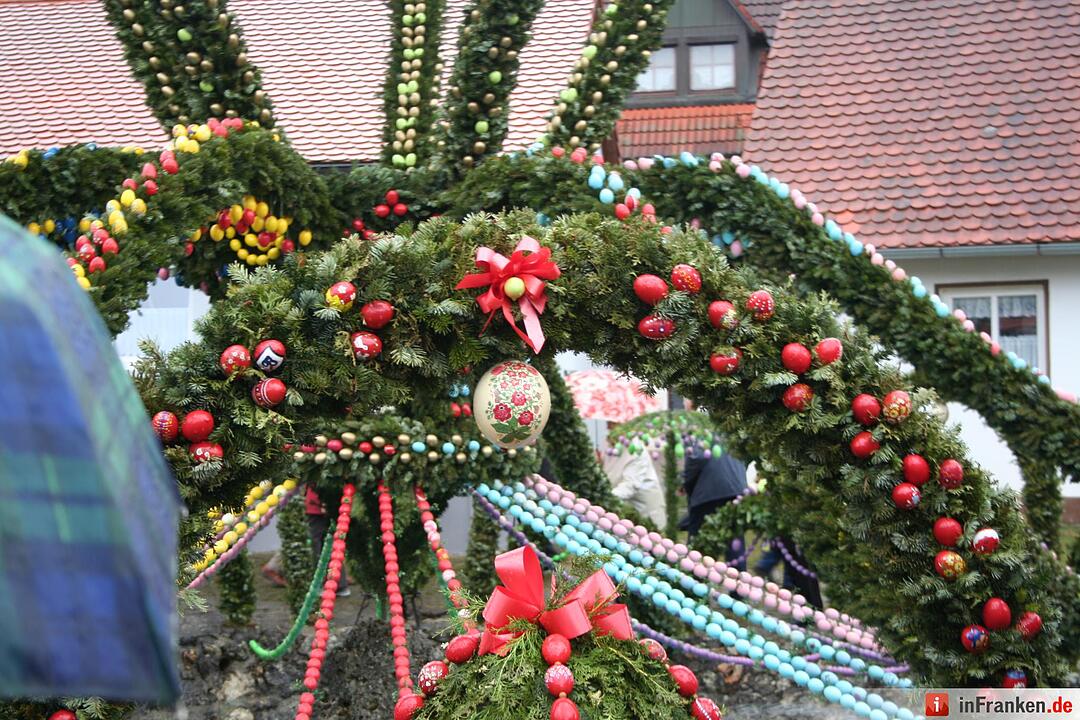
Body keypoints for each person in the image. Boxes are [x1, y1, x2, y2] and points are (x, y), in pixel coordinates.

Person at [683, 452, 748, 566]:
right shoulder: (728, 434)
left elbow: (697, 457)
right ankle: (739, 579)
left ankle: (695, 575)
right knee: (734, 537)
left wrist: (686, 484)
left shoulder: (699, 435)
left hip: (710, 489)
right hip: (737, 488)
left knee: (698, 539)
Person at [602, 436, 666, 528]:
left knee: (651, 537)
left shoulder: (636, 449)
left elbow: (630, 485)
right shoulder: (609, 444)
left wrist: (604, 498)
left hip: (645, 510)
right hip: (624, 509)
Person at [306, 486, 350, 596]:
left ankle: (320, 584)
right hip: (327, 503)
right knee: (333, 545)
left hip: (318, 506)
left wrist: (323, 502)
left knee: (317, 545)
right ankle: (339, 584)